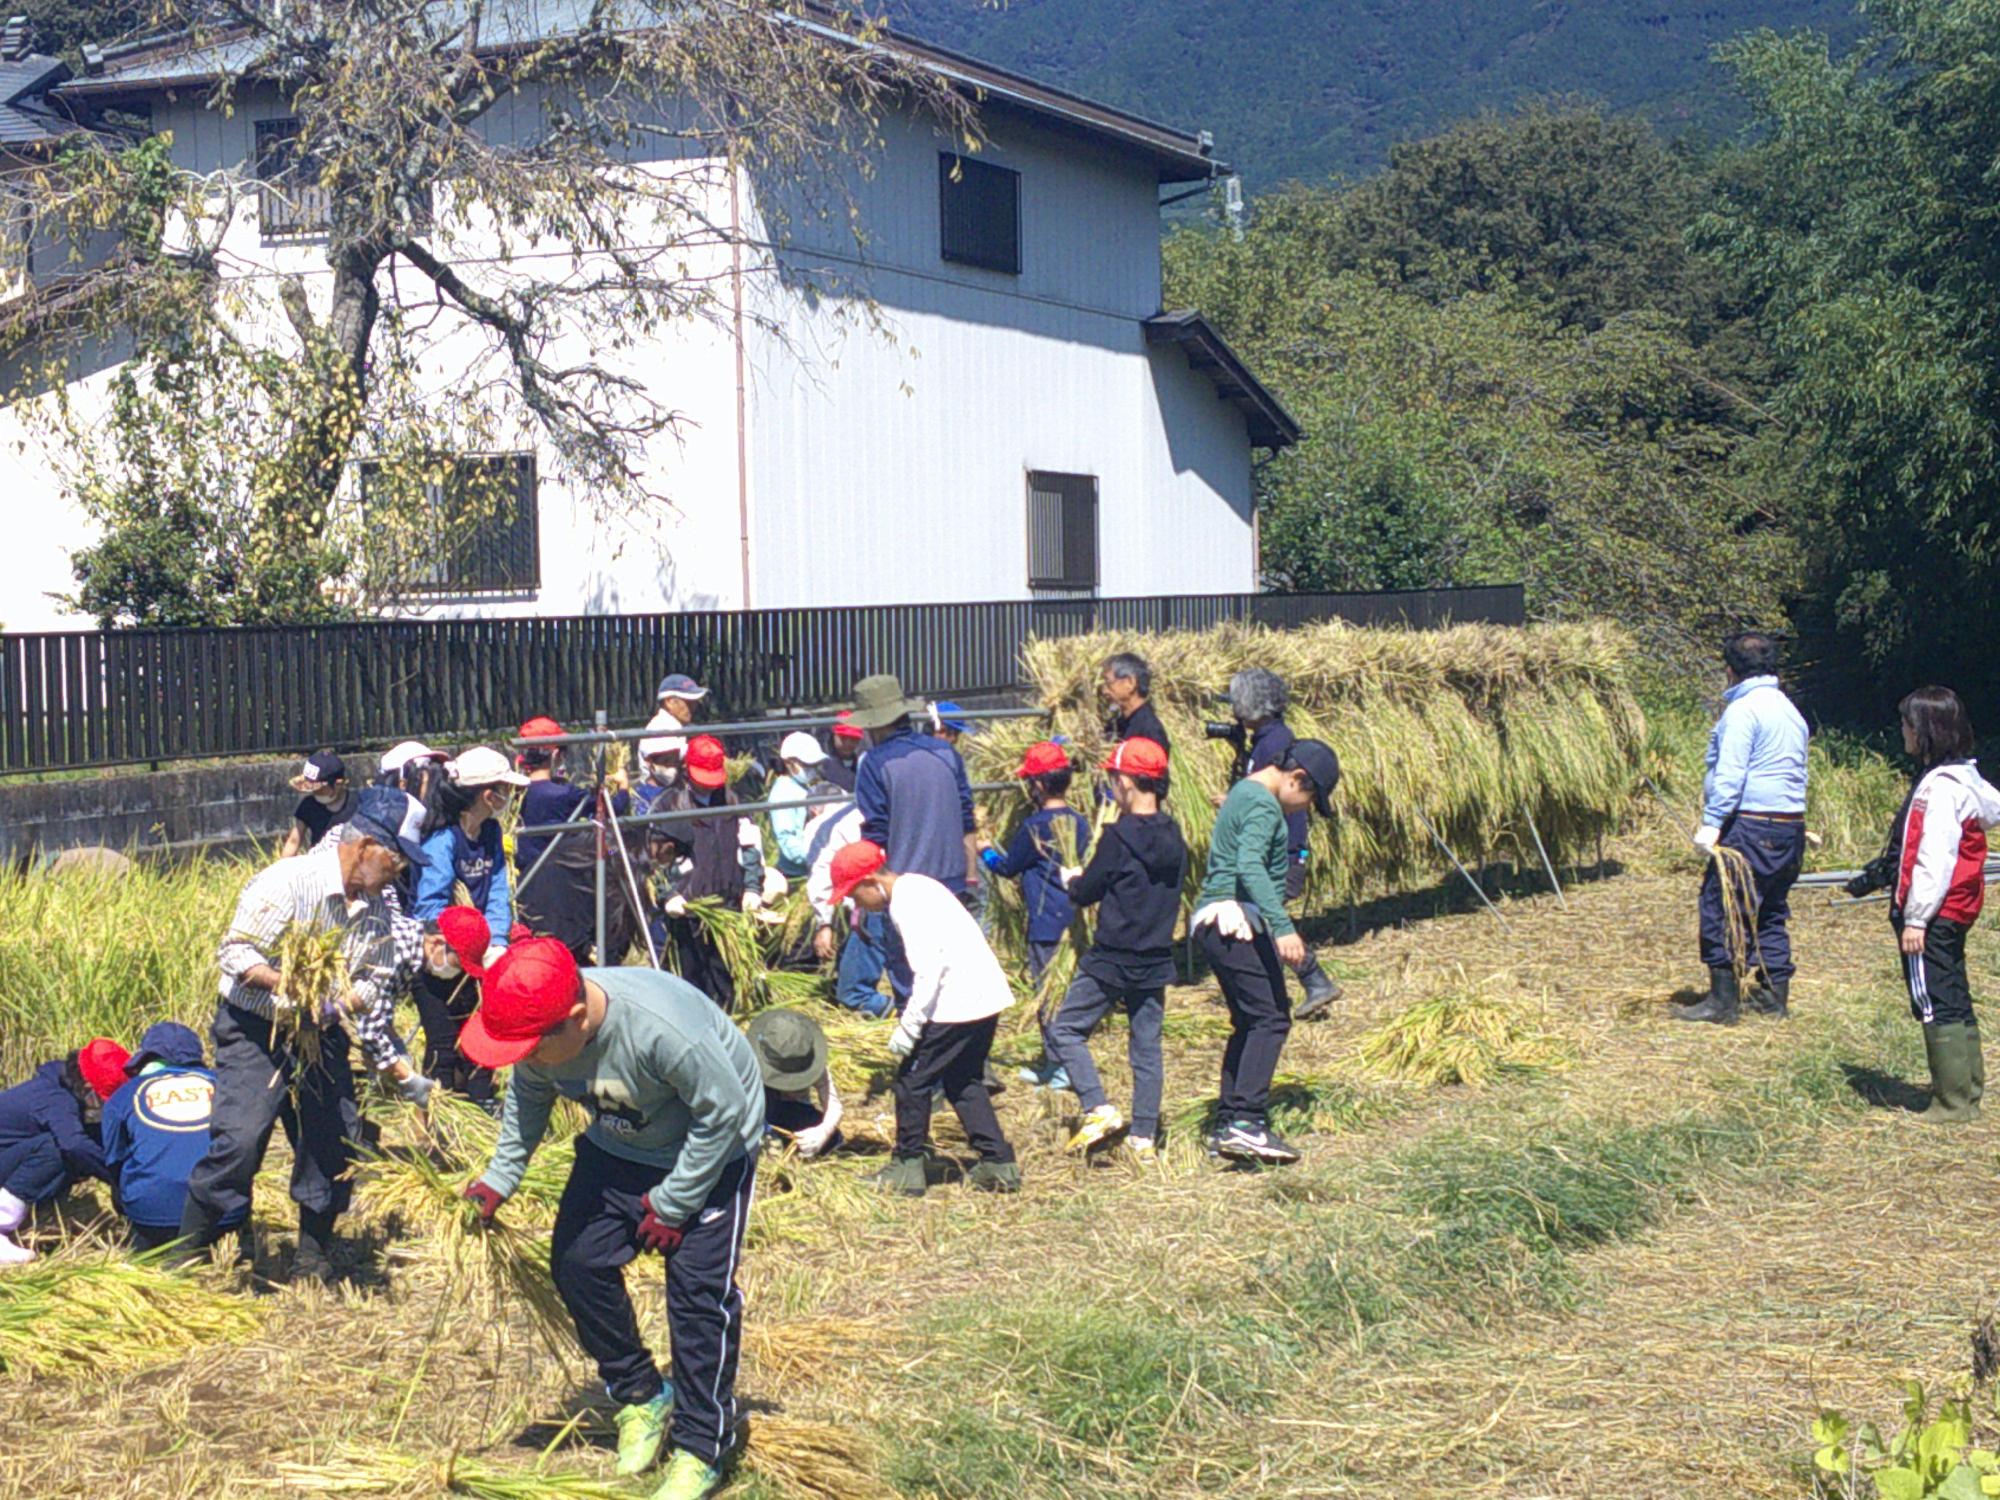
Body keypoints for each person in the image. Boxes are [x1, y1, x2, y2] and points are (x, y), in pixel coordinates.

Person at [459, 940, 763, 1500]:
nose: (527, 1059)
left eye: (532, 1048)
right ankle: (642, 1394)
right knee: (577, 1263)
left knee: (697, 1297)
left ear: (577, 1018)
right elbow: (529, 1094)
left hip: (713, 1150)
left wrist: (675, 1202)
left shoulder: (663, 1030)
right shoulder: (544, 1035)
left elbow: (724, 1114)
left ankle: (701, 1446)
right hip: (620, 1144)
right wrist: (501, 1176)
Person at [176, 790, 435, 1282]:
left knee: (334, 1140)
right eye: (396, 860)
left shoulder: (376, 908)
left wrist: (336, 1005)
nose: (399, 871)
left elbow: (374, 977)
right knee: (241, 1139)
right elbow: (236, 953)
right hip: (258, 1027)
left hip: (321, 1030)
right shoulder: (290, 881)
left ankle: (313, 1255)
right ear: (366, 847)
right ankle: (186, 1251)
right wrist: (290, 986)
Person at [830, 840, 1019, 1197]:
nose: (857, 904)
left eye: (855, 895)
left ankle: (907, 1165)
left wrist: (910, 1027)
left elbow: (930, 970)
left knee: (911, 1082)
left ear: (871, 881)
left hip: (957, 1004)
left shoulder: (907, 904)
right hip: (986, 996)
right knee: (963, 1080)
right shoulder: (920, 885)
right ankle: (998, 1164)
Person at [1192, 738, 1341, 1166]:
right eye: (1310, 800)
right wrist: (1283, 927)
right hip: (1234, 918)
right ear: (1297, 778)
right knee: (1271, 1019)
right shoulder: (1263, 804)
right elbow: (1250, 865)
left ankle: (1227, 1124)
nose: (1304, 810)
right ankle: (1247, 1121)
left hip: (1214, 921)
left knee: (1249, 1021)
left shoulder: (1244, 791)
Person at [1048, 738, 1186, 1159]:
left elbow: (1087, 892)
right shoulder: (1175, 834)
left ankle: (1097, 1107)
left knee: (1066, 1029)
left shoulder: (1118, 837)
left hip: (1111, 957)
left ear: (1127, 781)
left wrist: (1072, 879)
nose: (1112, 786)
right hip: (1156, 956)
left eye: (1113, 778)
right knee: (1146, 1047)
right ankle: (1143, 1136)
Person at [1673, 633, 1811, 1025]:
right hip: (1789, 825)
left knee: (1722, 906)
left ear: (1730, 670)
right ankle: (1772, 998)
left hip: (1751, 826)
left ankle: (1722, 1002)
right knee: (1769, 911)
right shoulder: (1790, 711)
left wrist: (1712, 824)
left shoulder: (1742, 711)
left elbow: (1731, 774)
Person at [1877, 687, 2000, 1122]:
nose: (1902, 732)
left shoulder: (1942, 788)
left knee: (1932, 998)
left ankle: (1951, 1102)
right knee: (1953, 993)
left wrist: (1916, 919)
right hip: (1957, 907)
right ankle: (1967, 1093)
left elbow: (1935, 857)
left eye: (1907, 724)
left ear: (1925, 730)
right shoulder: (1966, 777)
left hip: (1936, 911)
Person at [850, 673, 980, 1003]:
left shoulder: (875, 763)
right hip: (952, 883)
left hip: (904, 886)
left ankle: (918, 1034)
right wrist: (970, 878)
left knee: (912, 978)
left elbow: (875, 836)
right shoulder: (945, 753)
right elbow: (967, 820)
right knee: (954, 973)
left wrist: (864, 896)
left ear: (874, 724)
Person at [1227, 668, 1343, 1019]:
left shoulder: (1276, 743)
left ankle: (1306, 984)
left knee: (1265, 919)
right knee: (1263, 919)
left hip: (1287, 852)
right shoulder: (1264, 741)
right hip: (1284, 850)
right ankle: (1303, 986)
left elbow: (1274, 801)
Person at [101, 1023, 247, 1252]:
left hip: (151, 1218)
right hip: (223, 1215)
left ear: (148, 1059)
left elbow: (114, 1163)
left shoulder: (124, 1095)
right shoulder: (226, 1085)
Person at [648, 735, 766, 1012]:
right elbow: (654, 861)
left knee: (725, 979)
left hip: (727, 907)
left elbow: (750, 846)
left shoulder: (733, 800)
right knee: (691, 981)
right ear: (687, 769)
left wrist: (752, 887)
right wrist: (669, 895)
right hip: (688, 909)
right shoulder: (668, 806)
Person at [0, 1038, 127, 1265]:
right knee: (58, 1149)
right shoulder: (55, 1100)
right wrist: (119, 1177)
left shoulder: (63, 1089)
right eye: (104, 1099)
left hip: (9, 1156)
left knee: (83, 1146)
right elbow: (74, 1145)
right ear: (87, 1088)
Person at [980, 741, 1090, 983]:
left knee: (1047, 988)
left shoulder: (1035, 826)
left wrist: (986, 851)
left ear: (1039, 784)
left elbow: (1007, 868)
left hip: (1046, 924)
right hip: (1077, 921)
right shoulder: (1080, 822)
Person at [415, 746, 525, 960]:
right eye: (506, 789)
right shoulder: (443, 840)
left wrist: (496, 941)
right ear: (489, 796)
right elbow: (431, 905)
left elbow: (498, 890)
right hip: (449, 949)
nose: (510, 796)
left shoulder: (491, 831)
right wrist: (459, 945)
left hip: (484, 942)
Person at [805, 801, 892, 1018]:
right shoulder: (853, 817)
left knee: (854, 992)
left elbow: (821, 874)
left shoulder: (829, 831)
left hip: (877, 899)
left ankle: (901, 1013)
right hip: (883, 891)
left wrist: (824, 923)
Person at [413, 906, 501, 1107]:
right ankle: (439, 1109)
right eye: (457, 962)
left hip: (466, 974)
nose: (458, 966)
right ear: (437, 943)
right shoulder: (411, 952)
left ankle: (482, 1105)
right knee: (442, 1047)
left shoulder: (474, 958)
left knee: (478, 1043)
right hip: (429, 982)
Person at [745, 1009, 844, 1158]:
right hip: (756, 1110)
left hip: (791, 1110)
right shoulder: (746, 1060)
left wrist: (822, 1133)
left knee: (833, 1139)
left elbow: (834, 1105)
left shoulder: (809, 1061)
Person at [514, 716, 588, 877]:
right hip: (563, 873)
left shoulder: (514, 793)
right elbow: (614, 807)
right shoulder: (566, 793)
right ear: (555, 755)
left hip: (523, 875)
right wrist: (623, 788)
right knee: (609, 849)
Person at [768, 731, 831, 879]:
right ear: (789, 763)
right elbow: (787, 840)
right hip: (797, 874)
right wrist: (819, 855)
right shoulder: (782, 794)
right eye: (807, 765)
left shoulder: (801, 787)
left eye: (814, 765)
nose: (812, 769)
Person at [281, 751, 355, 858]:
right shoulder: (309, 805)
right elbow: (293, 841)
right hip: (318, 862)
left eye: (320, 790)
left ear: (337, 784)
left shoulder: (356, 804)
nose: (315, 792)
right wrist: (283, 865)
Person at [1102, 652, 1170, 751]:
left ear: (1130, 682)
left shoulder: (1149, 731)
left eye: (1108, 683)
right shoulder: (1117, 725)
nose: (1104, 691)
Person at [632, 711, 690, 814]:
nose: (672, 768)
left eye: (675, 761)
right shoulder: (641, 797)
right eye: (666, 761)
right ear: (649, 761)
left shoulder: (683, 789)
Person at [819, 711, 865, 793]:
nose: (848, 743)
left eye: (854, 739)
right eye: (843, 738)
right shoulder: (824, 762)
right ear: (834, 735)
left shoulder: (862, 761)